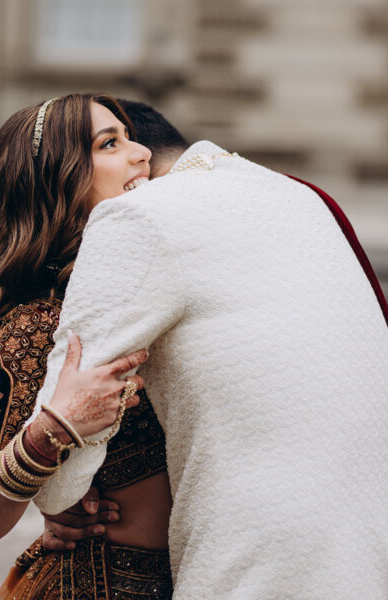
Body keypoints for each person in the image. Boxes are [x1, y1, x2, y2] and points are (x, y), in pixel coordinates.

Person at [30, 102, 388, 599]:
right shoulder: (299, 195)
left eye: (120, 138)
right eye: (108, 143)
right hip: (369, 540)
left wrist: (55, 487)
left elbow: (56, 480)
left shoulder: (135, 216)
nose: (133, 153)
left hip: (264, 558)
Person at [0, 94, 175, 599]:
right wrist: (52, 432)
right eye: (109, 144)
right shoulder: (42, 328)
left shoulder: (170, 290)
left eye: (131, 138)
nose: (142, 153)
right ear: (60, 182)